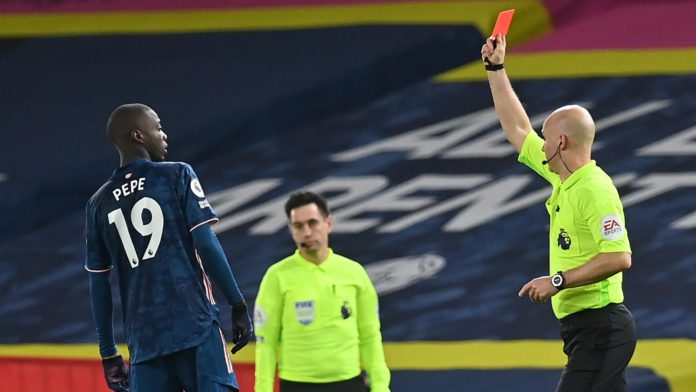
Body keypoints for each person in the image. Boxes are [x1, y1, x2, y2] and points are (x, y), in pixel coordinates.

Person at [482, 35, 637, 391]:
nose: (541, 141)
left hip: (602, 326)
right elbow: (517, 129)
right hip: (583, 329)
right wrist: (495, 69)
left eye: (546, 136)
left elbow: (619, 256)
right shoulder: (563, 177)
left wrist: (556, 281)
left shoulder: (594, 189)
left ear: (561, 143)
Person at [85, 103, 252, 392]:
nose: (164, 135)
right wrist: (237, 304)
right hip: (196, 327)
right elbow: (206, 244)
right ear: (138, 135)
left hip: (145, 344)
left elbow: (99, 283)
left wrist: (108, 352)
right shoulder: (176, 175)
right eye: (158, 127)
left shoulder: (98, 203)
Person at [254, 191, 391, 392]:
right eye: (298, 226)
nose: (307, 232)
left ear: (328, 223)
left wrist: (381, 387)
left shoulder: (354, 273)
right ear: (291, 230)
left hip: (349, 383)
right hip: (297, 385)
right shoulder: (276, 277)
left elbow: (370, 336)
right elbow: (266, 342)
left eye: (313, 223)